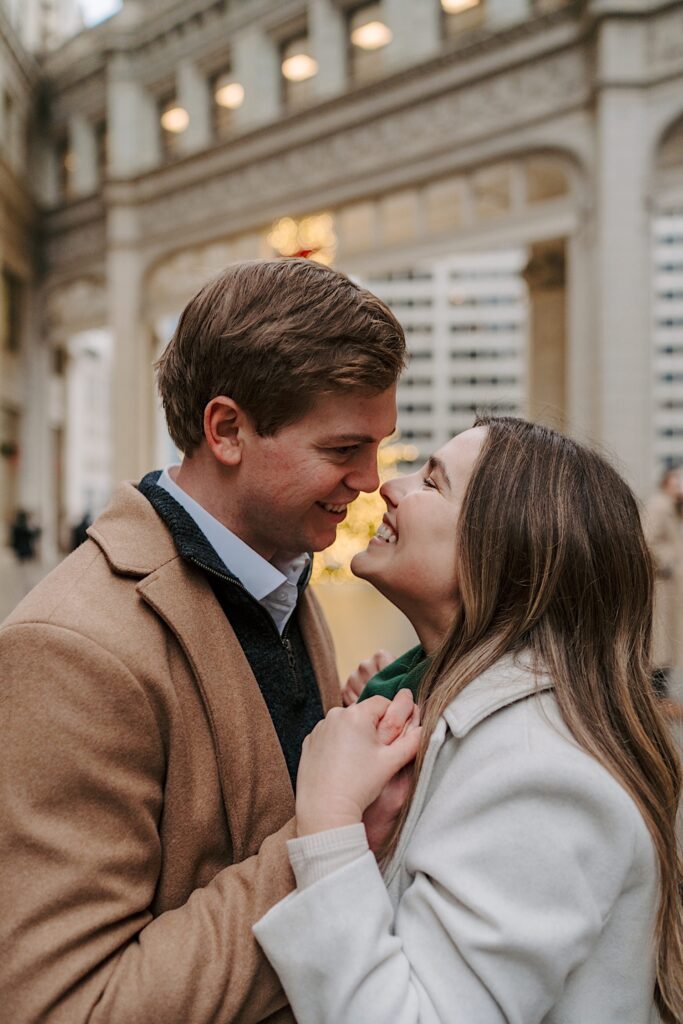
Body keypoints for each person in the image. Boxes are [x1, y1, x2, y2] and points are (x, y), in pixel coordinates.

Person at [0, 258, 406, 1023]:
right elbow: (61, 1005)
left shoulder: (278, 567)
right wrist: (333, 835)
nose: (371, 479)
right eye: (342, 449)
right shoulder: (70, 650)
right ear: (226, 430)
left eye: (377, 447)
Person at [254, 417, 683, 1024]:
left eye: (433, 483)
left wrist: (328, 823)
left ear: (507, 554)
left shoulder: (541, 775)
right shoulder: (464, 719)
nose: (389, 487)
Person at [643, 467, 683, 700]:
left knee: (666, 645)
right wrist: (668, 562)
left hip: (671, 590)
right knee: (659, 645)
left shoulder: (673, 509)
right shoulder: (659, 505)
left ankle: (660, 694)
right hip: (662, 588)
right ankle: (655, 695)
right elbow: (646, 541)